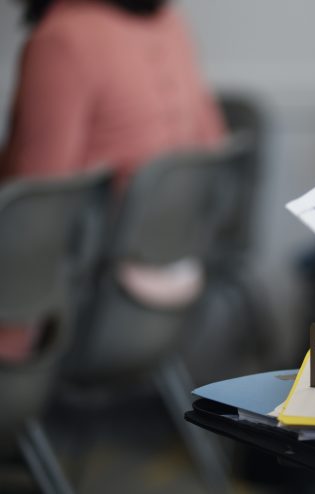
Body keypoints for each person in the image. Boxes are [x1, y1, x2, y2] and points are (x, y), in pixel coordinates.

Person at [0, 0, 225, 362]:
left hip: (84, 294)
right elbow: (213, 142)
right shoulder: (170, 23)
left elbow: (36, 201)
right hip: (174, 272)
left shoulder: (62, 39)